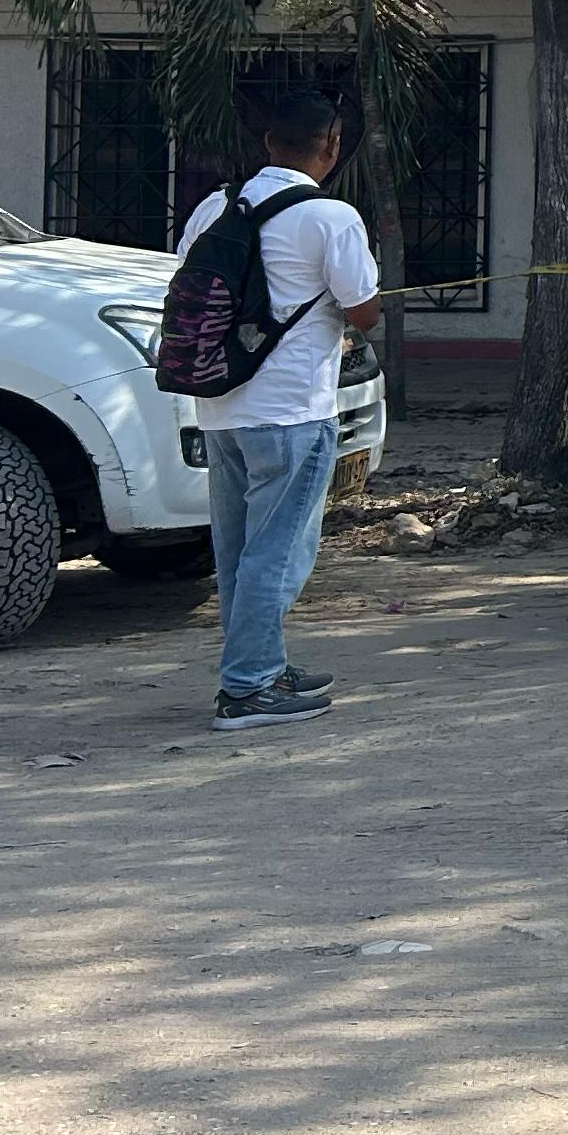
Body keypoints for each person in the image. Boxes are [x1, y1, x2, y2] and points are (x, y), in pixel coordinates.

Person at [179, 93, 383, 735]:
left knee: (238, 549)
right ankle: (247, 688)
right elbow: (364, 309)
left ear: (268, 143)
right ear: (330, 149)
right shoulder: (331, 216)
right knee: (279, 553)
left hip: (220, 404)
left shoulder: (217, 205)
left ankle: (262, 663)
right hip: (293, 406)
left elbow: (185, 279)